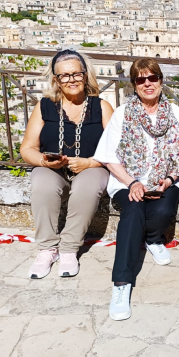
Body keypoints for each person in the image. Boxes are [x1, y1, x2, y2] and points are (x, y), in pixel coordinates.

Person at [93, 58, 179, 321]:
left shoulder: (177, 115)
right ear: (134, 84)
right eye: (140, 79)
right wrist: (133, 182)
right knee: (133, 211)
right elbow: (109, 156)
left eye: (153, 78)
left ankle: (153, 239)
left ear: (161, 81)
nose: (147, 83)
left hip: (166, 179)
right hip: (127, 180)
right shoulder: (123, 114)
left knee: (163, 209)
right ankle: (121, 284)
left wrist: (168, 180)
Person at [21, 49, 113, 279]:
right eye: (65, 76)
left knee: (88, 186)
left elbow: (115, 150)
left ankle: (69, 248)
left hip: (92, 167)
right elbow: (27, 148)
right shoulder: (44, 107)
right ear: (56, 80)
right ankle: (47, 249)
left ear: (86, 75)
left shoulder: (101, 107)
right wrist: (44, 161)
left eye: (76, 74)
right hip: (53, 168)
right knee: (41, 181)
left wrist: (90, 162)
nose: (71, 80)